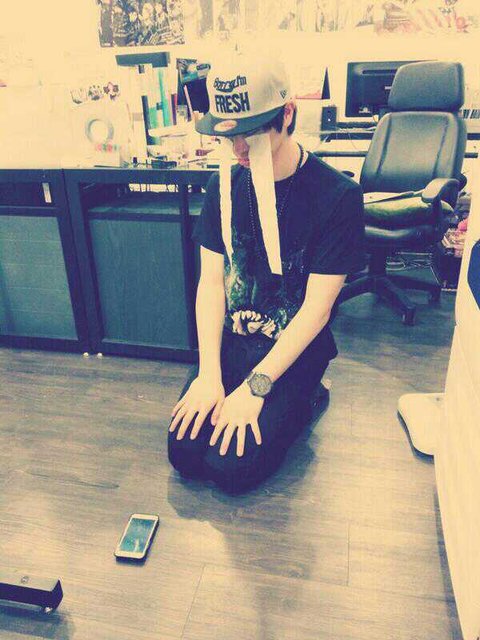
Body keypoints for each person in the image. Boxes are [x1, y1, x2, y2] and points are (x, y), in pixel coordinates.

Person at [167, 52, 366, 495]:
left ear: (287, 114)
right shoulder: (223, 184)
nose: (238, 149)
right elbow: (211, 283)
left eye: (251, 133)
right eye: (229, 135)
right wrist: (208, 373)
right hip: (237, 337)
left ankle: (309, 395)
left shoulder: (337, 197)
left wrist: (256, 387)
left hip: (294, 346)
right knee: (184, 454)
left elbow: (316, 311)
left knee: (230, 469)